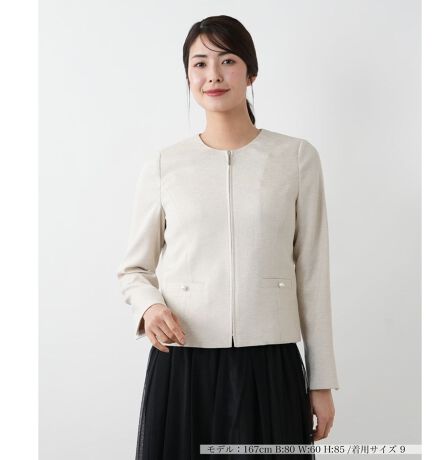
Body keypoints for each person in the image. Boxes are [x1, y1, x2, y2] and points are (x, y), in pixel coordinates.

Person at [117, 15, 339, 460]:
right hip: (185, 364)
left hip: (269, 366)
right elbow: (134, 269)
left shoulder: (296, 158)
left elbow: (312, 275)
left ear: (251, 73)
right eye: (199, 64)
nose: (213, 75)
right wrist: (150, 306)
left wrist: (321, 382)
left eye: (228, 60)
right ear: (188, 77)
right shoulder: (164, 165)